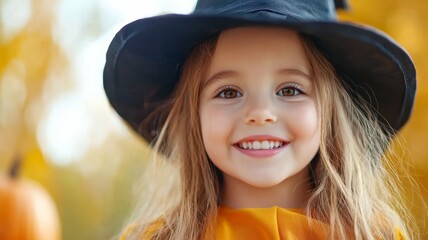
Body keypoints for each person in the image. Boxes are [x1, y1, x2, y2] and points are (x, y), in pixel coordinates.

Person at [103, 0, 418, 239]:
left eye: (291, 89)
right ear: (193, 112)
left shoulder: (374, 235)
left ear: (330, 111)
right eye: (228, 92)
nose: (260, 113)